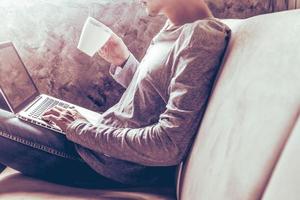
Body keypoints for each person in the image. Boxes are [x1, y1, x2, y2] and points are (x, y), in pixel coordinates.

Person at [0, 0, 230, 188]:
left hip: (109, 163)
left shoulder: (201, 36)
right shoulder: (175, 27)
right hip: (99, 138)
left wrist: (78, 128)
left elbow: (169, 144)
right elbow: (156, 97)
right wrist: (125, 61)